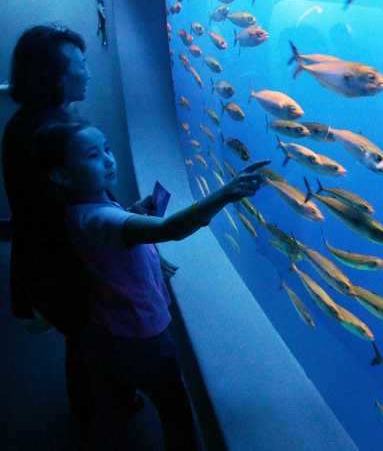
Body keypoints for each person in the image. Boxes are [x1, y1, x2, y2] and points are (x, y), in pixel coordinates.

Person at [33, 121, 266, 451]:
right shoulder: (99, 217)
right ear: (61, 175)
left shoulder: (86, 210)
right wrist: (227, 193)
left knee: (116, 392)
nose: (108, 159)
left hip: (110, 328)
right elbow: (171, 228)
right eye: (92, 155)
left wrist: (135, 214)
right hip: (143, 333)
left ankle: (117, 415)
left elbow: (113, 238)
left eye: (107, 148)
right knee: (174, 406)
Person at [2, 24, 150, 446]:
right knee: (87, 340)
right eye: (80, 65)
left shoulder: (37, 123)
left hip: (53, 263)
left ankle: (99, 408)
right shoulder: (44, 133)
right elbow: (55, 216)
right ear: (53, 76)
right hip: (64, 267)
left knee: (85, 339)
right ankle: (95, 419)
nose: (87, 73)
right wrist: (128, 235)